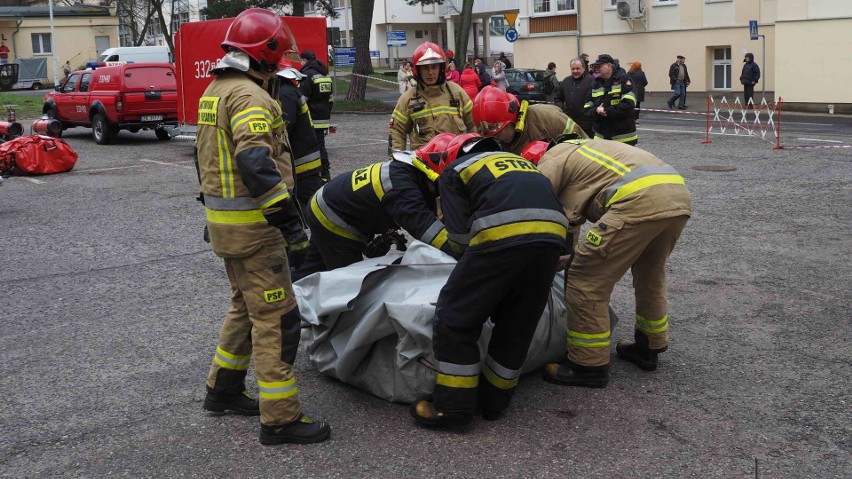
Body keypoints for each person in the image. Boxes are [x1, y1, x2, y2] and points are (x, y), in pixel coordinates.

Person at [195, 8, 330, 445]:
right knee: (276, 317)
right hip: (257, 230)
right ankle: (280, 419)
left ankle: (224, 389)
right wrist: (291, 224)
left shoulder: (215, 90)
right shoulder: (252, 98)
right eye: (279, 54)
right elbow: (255, 161)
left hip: (227, 227)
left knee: (244, 307)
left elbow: (211, 162)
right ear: (265, 54)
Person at [409, 133, 569, 429]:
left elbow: (458, 238)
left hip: (502, 236)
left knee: (455, 317)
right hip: (552, 239)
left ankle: (452, 409)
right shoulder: (523, 163)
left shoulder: (454, 171)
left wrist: (467, 270)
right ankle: (494, 401)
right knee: (517, 323)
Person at [534, 138, 691, 388]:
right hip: (676, 198)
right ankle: (648, 346)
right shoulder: (582, 148)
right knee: (650, 273)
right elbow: (571, 223)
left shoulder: (550, 160)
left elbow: (546, 207)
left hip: (635, 202)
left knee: (586, 279)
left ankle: (587, 365)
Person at [292, 137, 458, 280]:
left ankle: (287, 301)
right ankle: (336, 316)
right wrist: (468, 255)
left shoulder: (411, 174)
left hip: (325, 205)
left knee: (312, 268)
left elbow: (434, 223)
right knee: (349, 281)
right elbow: (431, 233)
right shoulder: (403, 189)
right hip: (333, 217)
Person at [389, 42, 475, 151]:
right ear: (418, 70)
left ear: (441, 68)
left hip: (455, 161)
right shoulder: (407, 99)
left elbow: (475, 124)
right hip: (421, 164)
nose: (430, 72)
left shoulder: (456, 92)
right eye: (425, 68)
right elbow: (397, 131)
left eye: (434, 67)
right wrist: (397, 160)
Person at [473, 85, 587, 155]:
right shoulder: (496, 140)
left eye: (498, 132)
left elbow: (586, 147)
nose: (496, 138)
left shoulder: (550, 119)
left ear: (512, 119)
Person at [276, 60, 324, 213]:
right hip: (305, 160)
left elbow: (285, 127)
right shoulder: (289, 91)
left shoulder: (285, 94)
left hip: (302, 164)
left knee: (315, 210)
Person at [585, 54, 638, 145]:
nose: (597, 69)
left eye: (599, 66)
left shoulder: (624, 79)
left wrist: (607, 111)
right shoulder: (595, 83)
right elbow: (587, 108)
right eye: (596, 66)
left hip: (623, 138)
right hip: (601, 138)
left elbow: (628, 105)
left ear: (609, 66)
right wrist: (596, 111)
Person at [299, 50, 333, 181]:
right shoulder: (325, 74)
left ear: (305, 60)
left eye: (301, 60)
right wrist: (326, 113)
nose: (300, 63)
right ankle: (324, 173)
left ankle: (318, 173)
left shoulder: (307, 75)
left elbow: (303, 99)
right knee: (320, 145)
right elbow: (330, 99)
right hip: (323, 117)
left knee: (311, 147)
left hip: (311, 117)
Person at [555, 58, 595, 137]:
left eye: (578, 68)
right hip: (569, 123)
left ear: (583, 68)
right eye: (573, 69)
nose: (575, 71)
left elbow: (597, 100)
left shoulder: (592, 81)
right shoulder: (566, 81)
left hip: (587, 124)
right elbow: (558, 98)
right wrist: (562, 108)